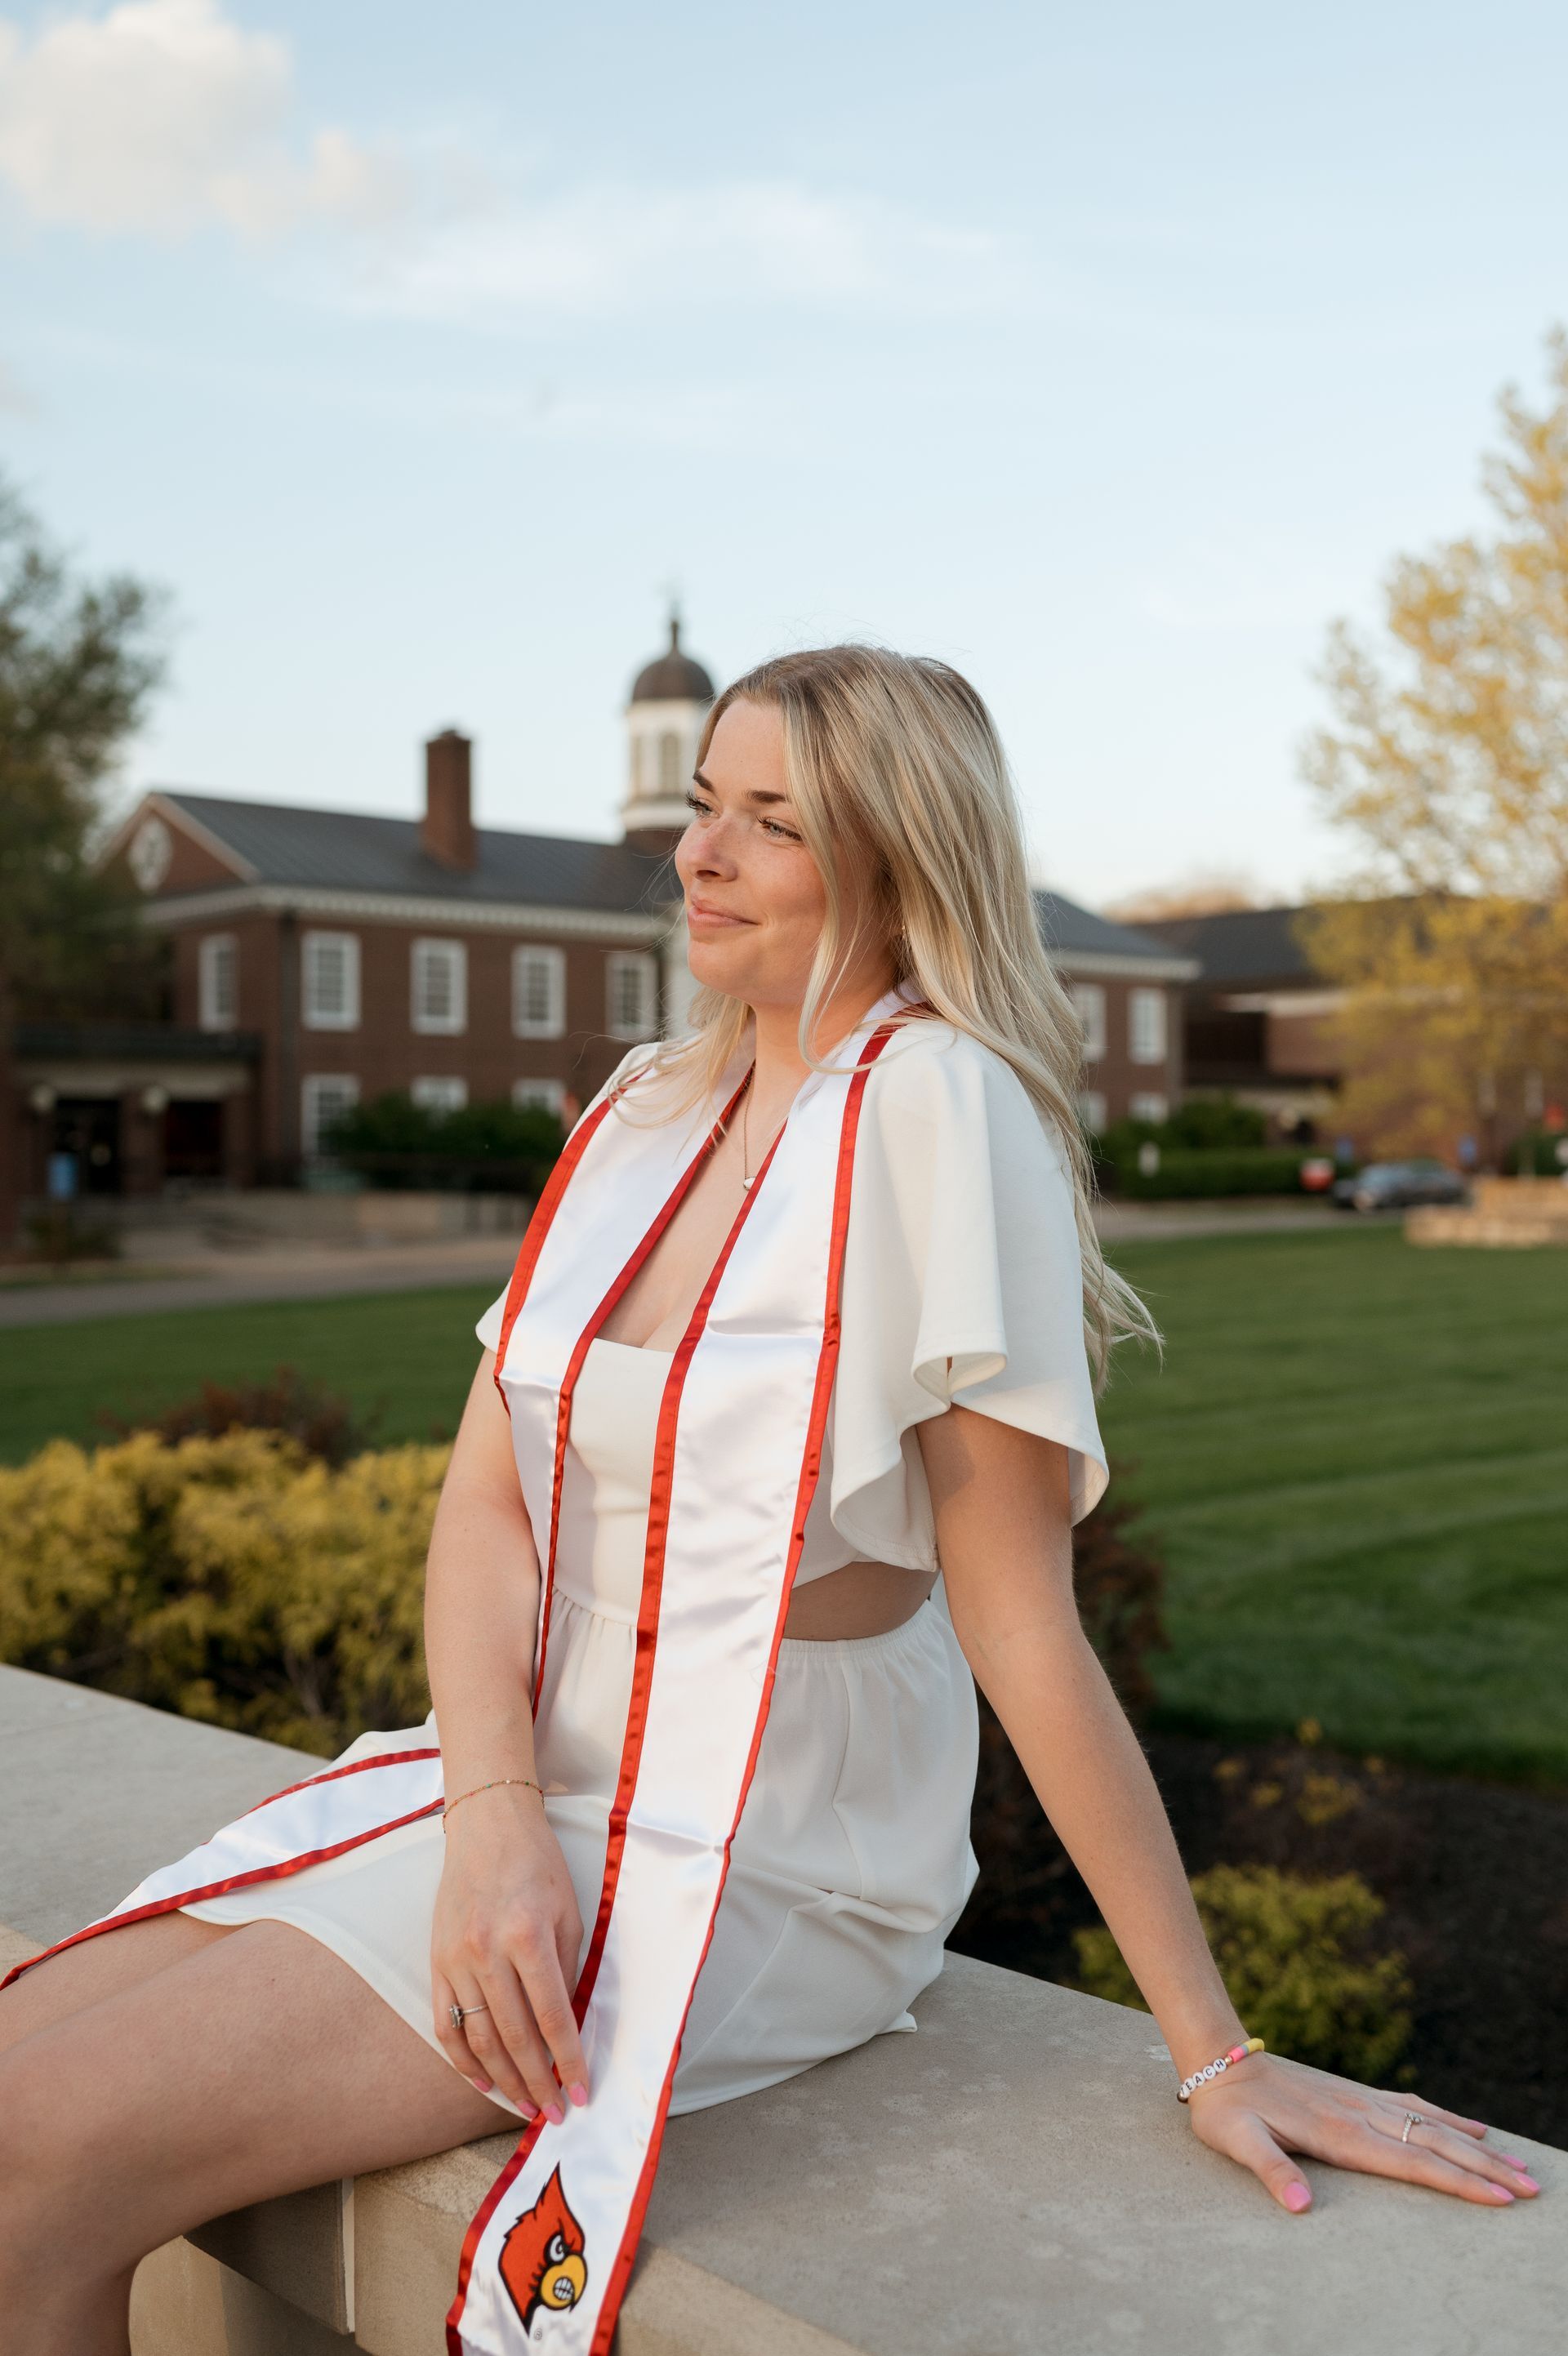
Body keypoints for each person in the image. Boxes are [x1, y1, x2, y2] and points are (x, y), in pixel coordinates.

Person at [0, 647, 1537, 2356]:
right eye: (698, 806)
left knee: (34, 2150)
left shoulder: (945, 1118)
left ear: (896, 864)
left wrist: (1213, 2045)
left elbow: (1022, 1623)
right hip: (530, 1770)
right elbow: (487, 1508)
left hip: (764, 1827)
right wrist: (497, 1813)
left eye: (771, 824)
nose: (700, 858)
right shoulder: (640, 1106)